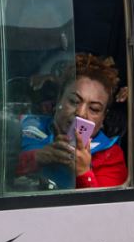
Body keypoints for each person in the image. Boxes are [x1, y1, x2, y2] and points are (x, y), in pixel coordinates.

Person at [16, 52, 126, 190]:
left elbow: (106, 209)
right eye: (74, 101)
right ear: (58, 99)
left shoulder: (110, 156)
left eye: (94, 109)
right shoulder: (26, 126)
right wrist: (37, 157)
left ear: (103, 117)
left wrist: (83, 172)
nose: (81, 113)